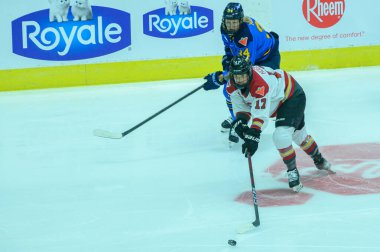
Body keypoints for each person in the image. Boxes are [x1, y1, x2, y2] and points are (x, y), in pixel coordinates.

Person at [226, 55, 334, 192]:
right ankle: (319, 159)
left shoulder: (260, 84)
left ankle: (292, 171)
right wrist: (242, 126)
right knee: (299, 136)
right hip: (276, 103)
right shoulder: (231, 86)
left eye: (243, 75)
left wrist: (253, 135)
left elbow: (260, 117)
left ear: (249, 72)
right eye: (236, 76)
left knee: (281, 136)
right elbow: (242, 110)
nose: (240, 80)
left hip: (291, 97)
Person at [203, 2, 281, 144]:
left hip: (267, 59)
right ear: (224, 21)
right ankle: (237, 119)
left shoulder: (245, 37)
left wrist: (220, 77)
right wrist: (225, 69)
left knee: (256, 88)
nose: (231, 26)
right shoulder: (225, 29)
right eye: (228, 22)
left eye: (234, 23)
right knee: (229, 90)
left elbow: (243, 70)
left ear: (240, 21)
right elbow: (230, 50)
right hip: (253, 57)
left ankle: (256, 120)